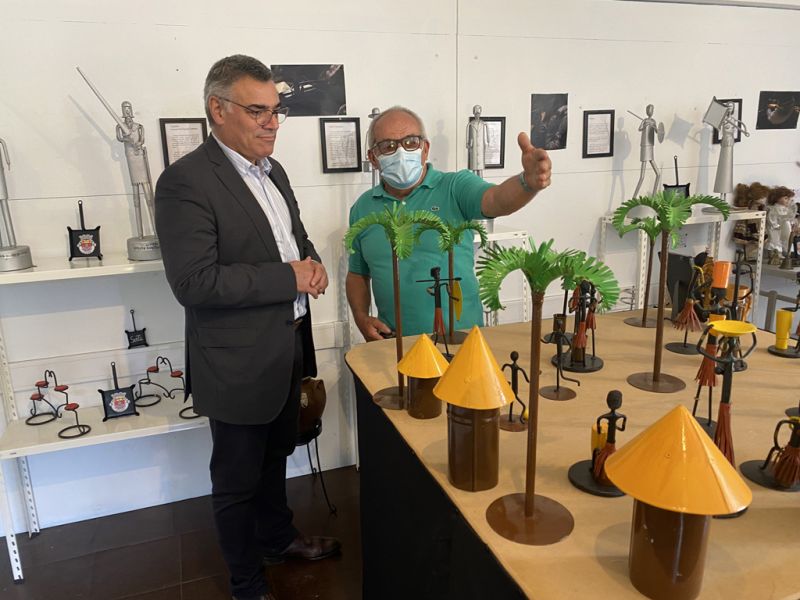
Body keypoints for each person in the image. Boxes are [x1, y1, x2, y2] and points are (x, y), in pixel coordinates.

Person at [154, 55, 340, 600]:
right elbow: (194, 282)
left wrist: (311, 262)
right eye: (258, 111)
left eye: (277, 111)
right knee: (236, 481)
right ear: (218, 109)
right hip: (234, 362)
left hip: (287, 345)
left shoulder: (273, 171)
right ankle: (246, 582)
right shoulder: (184, 182)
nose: (272, 122)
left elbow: (292, 240)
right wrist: (288, 277)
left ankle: (277, 539)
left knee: (276, 455)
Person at [346, 106, 552, 341]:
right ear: (373, 157)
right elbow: (357, 273)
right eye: (388, 146)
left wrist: (527, 183)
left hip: (460, 341)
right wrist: (361, 317)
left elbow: (495, 200)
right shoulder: (363, 208)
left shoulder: (455, 187)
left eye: (410, 142)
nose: (401, 152)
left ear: (425, 149)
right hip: (394, 343)